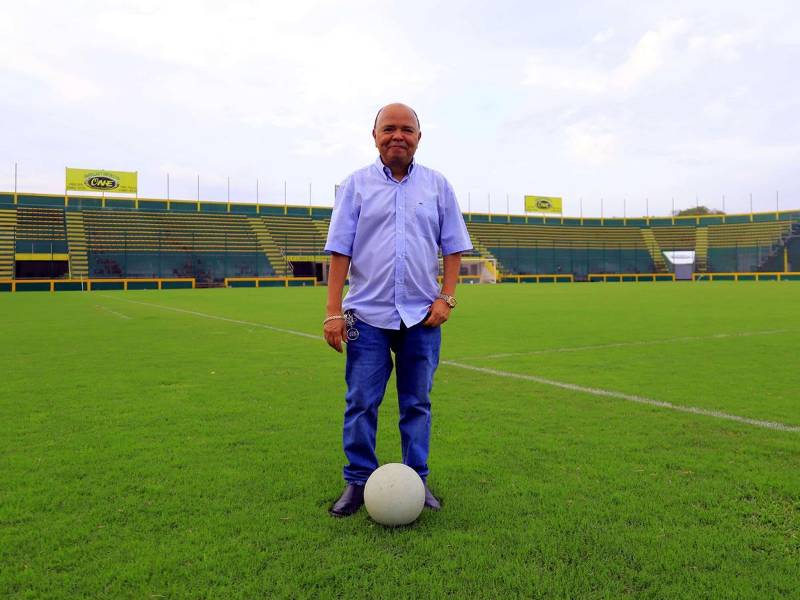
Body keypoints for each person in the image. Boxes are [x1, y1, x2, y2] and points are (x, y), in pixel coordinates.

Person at [323, 103, 473, 517]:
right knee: (361, 402)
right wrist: (332, 311)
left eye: (407, 129)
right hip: (366, 316)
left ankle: (417, 479)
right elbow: (339, 251)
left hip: (422, 317)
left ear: (419, 138)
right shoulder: (355, 186)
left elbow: (454, 246)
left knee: (417, 402)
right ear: (374, 136)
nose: (397, 136)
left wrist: (447, 297)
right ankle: (357, 481)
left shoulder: (438, 186)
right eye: (388, 129)